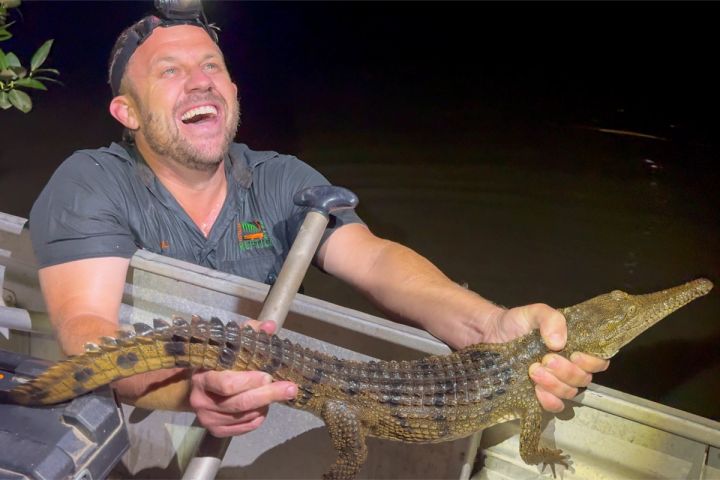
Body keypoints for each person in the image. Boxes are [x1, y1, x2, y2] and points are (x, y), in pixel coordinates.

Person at [29, 10, 608, 438]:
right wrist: (191, 389)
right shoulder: (91, 180)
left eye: (212, 66)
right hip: (135, 418)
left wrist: (489, 323)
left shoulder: (279, 177)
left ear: (232, 90)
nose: (200, 80)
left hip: (278, 404)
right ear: (126, 112)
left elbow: (378, 261)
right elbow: (86, 325)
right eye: (169, 72)